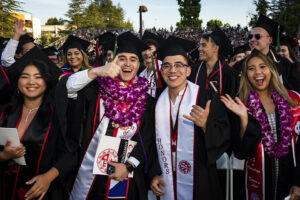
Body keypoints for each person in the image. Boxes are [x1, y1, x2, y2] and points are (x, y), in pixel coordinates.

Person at [57, 31, 155, 199]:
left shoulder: (147, 101)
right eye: (122, 58)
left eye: (133, 59)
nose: (127, 64)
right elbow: (66, 88)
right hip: (90, 173)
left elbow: (147, 139)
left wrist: (129, 166)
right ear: (113, 61)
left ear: (139, 64)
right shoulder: (95, 90)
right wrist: (95, 72)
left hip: (125, 175)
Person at [149, 36, 246, 200]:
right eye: (167, 66)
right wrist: (153, 173)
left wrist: (206, 126)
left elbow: (225, 134)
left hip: (199, 178)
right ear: (162, 71)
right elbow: (148, 141)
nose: (173, 70)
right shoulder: (153, 101)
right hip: (163, 178)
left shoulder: (205, 97)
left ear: (188, 70)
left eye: (179, 65)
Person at [223, 49, 300, 200]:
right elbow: (241, 153)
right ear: (246, 75)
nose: (257, 72)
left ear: (271, 70)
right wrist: (244, 119)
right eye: (251, 69)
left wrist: (298, 181)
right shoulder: (241, 104)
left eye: (262, 66)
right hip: (256, 184)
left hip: (292, 179)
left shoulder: (294, 100)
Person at [0, 47, 75, 200]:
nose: (31, 82)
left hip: (43, 191)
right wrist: (3, 156)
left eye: (37, 76)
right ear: (18, 82)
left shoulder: (58, 115)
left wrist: (48, 177)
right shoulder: (4, 112)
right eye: (25, 76)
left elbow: (71, 154)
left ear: (46, 81)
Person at [233, 15, 300, 93]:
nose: (252, 39)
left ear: (270, 40)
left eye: (258, 36)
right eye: (250, 36)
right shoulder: (240, 65)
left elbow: (295, 92)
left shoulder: (284, 64)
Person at [189, 25, 237, 98]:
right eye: (200, 45)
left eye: (203, 45)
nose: (199, 49)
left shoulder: (229, 74)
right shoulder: (193, 71)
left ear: (215, 48)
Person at [139, 31, 164, 97]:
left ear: (156, 50)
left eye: (150, 49)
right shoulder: (141, 74)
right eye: (144, 50)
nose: (147, 53)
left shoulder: (163, 69)